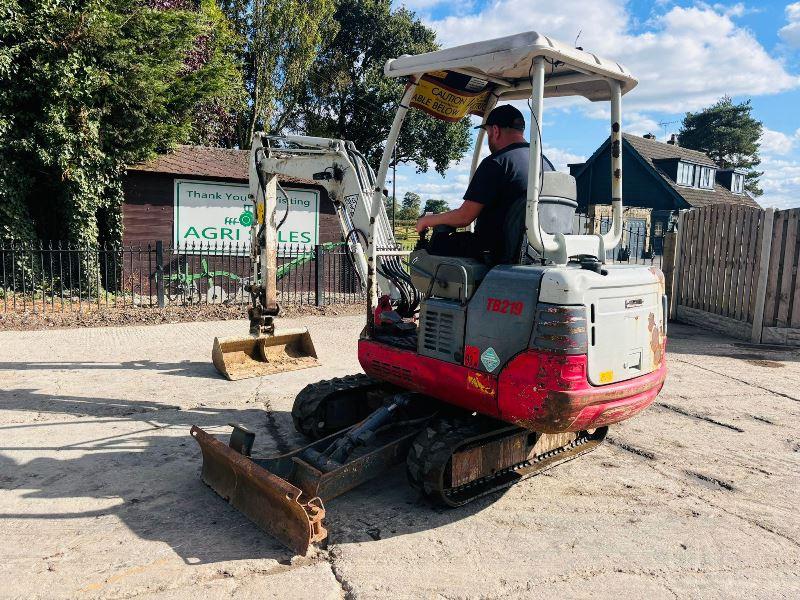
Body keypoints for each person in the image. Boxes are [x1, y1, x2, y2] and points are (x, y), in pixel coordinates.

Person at [415, 104, 553, 264]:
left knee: (436, 246)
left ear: (495, 130)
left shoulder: (498, 162)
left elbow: (464, 217)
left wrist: (428, 220)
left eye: (487, 132)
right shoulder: (544, 163)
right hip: (535, 254)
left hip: (496, 252)